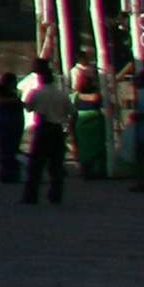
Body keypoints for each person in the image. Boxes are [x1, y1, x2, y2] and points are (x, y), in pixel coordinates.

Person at [22, 60, 73, 207]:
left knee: (36, 165)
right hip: (57, 129)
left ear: (40, 78)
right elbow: (72, 112)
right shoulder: (62, 94)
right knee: (56, 165)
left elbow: (29, 108)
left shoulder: (36, 93)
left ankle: (31, 196)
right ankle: (55, 195)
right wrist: (69, 130)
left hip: (42, 128)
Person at [73, 66, 112, 184]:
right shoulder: (97, 96)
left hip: (81, 123)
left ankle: (86, 170)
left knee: (84, 148)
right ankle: (100, 170)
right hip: (96, 122)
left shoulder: (75, 96)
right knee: (99, 147)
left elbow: (72, 112)